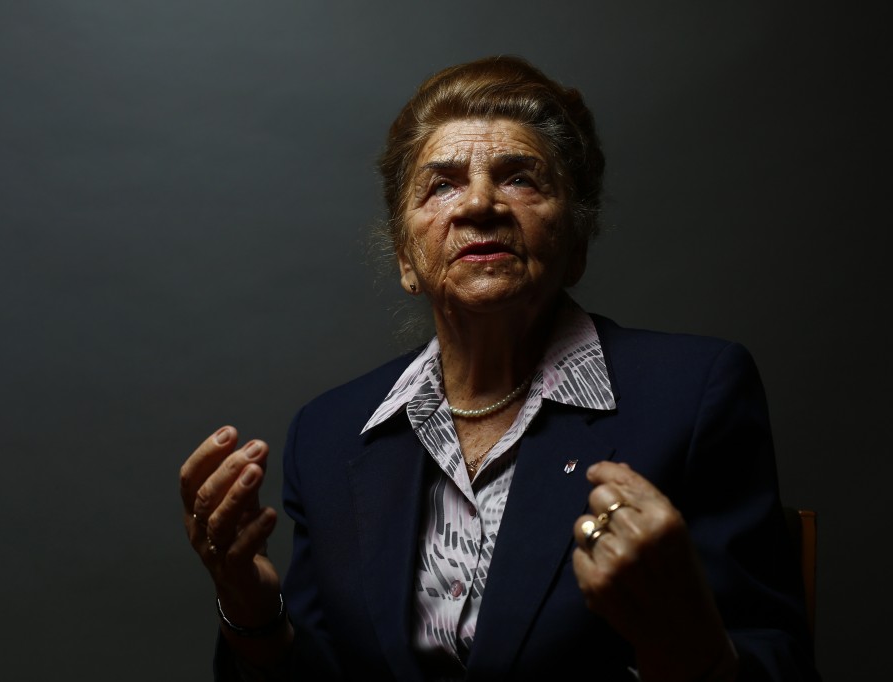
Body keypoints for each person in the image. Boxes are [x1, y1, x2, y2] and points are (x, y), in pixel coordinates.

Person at [179, 55, 820, 681]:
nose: (479, 203)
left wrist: (685, 643)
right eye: (443, 184)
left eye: (520, 178)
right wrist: (251, 608)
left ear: (575, 245)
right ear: (407, 257)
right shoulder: (329, 434)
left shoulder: (691, 394)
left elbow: (776, 657)